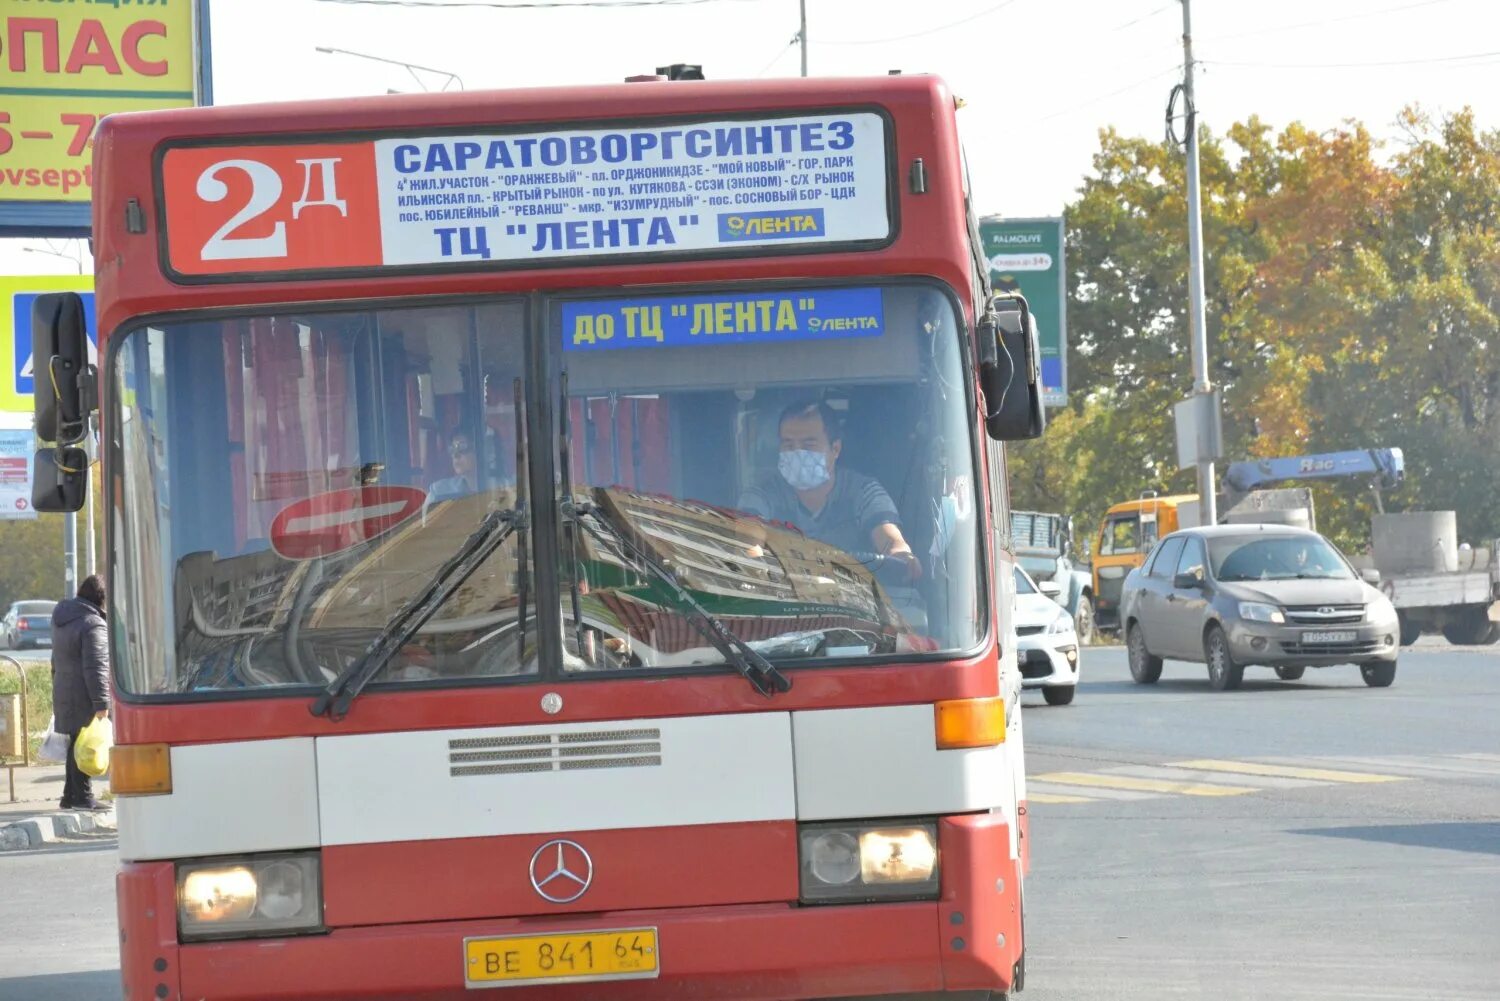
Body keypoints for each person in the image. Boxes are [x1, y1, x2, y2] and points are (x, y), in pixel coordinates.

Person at [738, 400, 919, 581]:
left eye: (808, 445)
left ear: (835, 449)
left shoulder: (862, 491)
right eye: (788, 445)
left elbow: (889, 538)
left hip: (856, 602)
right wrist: (753, 560)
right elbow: (749, 537)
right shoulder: (761, 494)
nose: (797, 453)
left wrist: (902, 558)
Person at [51, 575, 110, 812]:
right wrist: (102, 702)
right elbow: (96, 666)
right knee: (84, 745)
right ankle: (84, 797)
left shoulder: (61, 617)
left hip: (63, 687)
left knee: (75, 742)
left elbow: (55, 657)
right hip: (84, 693)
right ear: (101, 599)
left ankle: (69, 796)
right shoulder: (92, 624)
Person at [429, 432, 479, 502]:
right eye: (452, 449)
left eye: (462, 447)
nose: (455, 455)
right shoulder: (439, 491)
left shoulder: (497, 489)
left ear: (480, 450)